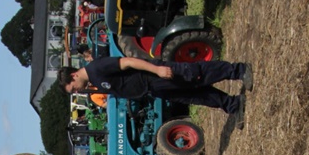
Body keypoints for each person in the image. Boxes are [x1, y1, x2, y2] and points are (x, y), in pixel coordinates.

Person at [58, 56, 253, 127]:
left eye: (74, 88)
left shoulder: (96, 68)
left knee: (195, 75)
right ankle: (233, 104)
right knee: (194, 95)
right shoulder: (93, 82)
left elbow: (128, 62)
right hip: (152, 89)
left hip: (152, 76)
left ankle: (238, 70)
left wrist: (157, 70)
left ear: (74, 75)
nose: (78, 90)